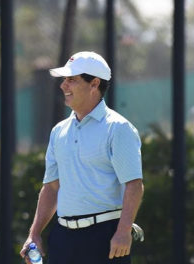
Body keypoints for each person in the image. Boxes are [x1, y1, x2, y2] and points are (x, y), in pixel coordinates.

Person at [20, 51, 144, 264]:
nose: (63, 86)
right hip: (63, 238)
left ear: (94, 84)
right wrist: (35, 233)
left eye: (71, 80)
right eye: (64, 80)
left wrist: (123, 232)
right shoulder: (58, 131)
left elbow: (134, 184)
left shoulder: (118, 128)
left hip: (105, 236)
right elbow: (51, 187)